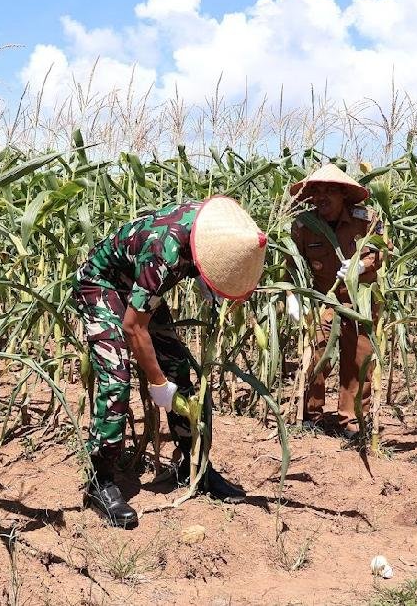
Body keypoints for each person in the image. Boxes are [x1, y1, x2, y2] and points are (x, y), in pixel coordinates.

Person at [73, 196, 268, 528]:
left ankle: (195, 467)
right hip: (102, 284)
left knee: (178, 365)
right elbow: (134, 326)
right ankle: (100, 480)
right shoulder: (165, 256)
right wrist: (159, 384)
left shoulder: (215, 226)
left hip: (139, 283)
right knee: (116, 375)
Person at [286, 164, 384, 439]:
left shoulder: (366, 220)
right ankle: (311, 416)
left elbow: (381, 252)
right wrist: (293, 298)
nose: (322, 197)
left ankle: (350, 420)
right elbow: (292, 266)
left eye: (330, 191)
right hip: (323, 301)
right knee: (316, 354)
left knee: (358, 362)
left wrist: (361, 266)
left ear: (343, 194)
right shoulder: (303, 226)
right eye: (316, 192)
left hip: (359, 302)